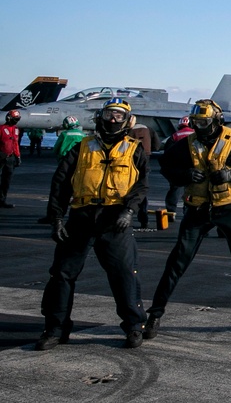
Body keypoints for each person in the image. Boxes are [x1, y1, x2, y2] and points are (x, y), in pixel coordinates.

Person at [143, 99, 231, 341]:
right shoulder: (187, 144)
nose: (199, 127)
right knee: (177, 262)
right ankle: (155, 314)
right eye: (196, 122)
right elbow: (166, 165)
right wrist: (184, 175)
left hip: (230, 208)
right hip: (197, 210)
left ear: (216, 121)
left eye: (204, 122)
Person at [35, 98, 149, 350]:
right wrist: (56, 217)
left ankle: (133, 326)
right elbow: (61, 183)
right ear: (100, 116)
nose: (112, 119)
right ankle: (55, 329)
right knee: (62, 274)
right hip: (81, 217)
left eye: (119, 115)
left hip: (115, 221)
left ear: (128, 120)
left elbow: (141, 185)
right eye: (109, 114)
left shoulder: (134, 149)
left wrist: (129, 211)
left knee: (124, 274)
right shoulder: (82, 147)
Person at [37, 117, 87, 225]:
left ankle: (54, 216)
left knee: (58, 190)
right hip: (80, 166)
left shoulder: (65, 134)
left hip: (65, 164)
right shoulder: (84, 135)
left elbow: (56, 149)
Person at [126, 119, 161, 230]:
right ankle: (144, 219)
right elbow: (157, 145)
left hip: (130, 159)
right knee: (142, 188)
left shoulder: (128, 130)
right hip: (146, 157)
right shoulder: (148, 129)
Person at [163, 116, 194, 213]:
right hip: (194, 166)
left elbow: (167, 152)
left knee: (175, 189)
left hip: (178, 167)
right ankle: (188, 210)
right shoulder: (196, 134)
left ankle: (171, 211)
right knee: (193, 190)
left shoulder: (175, 136)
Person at [0, 109, 22, 208]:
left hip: (11, 158)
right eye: (14, 118)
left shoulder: (16, 129)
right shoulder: (1, 129)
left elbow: (15, 143)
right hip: (1, 157)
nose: (15, 121)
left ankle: (2, 200)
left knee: (6, 180)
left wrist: (18, 156)